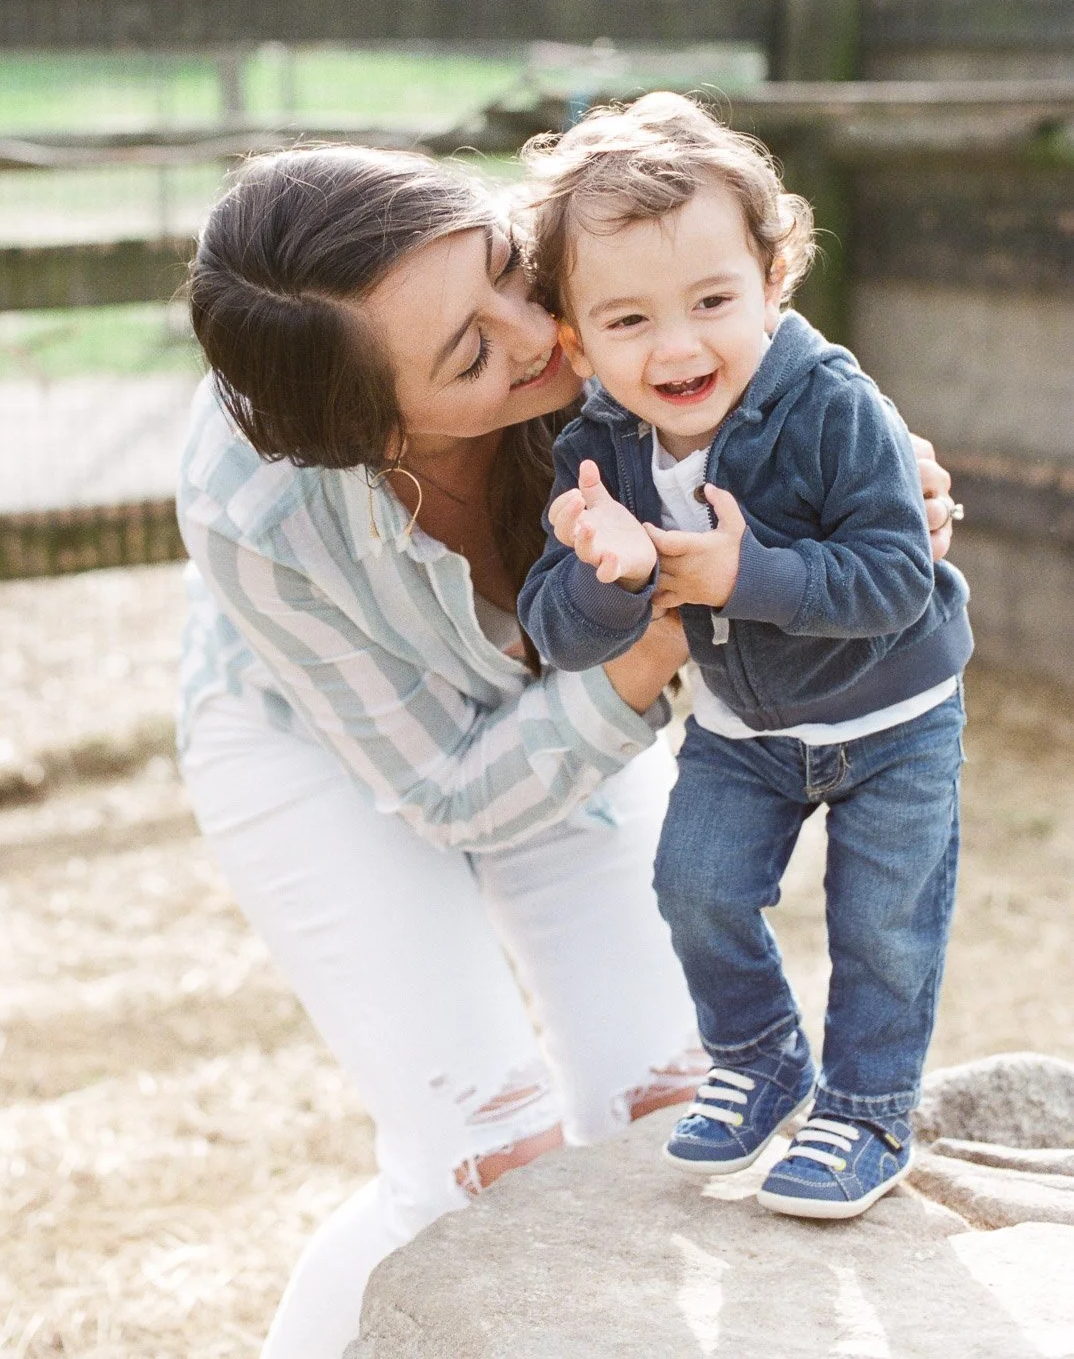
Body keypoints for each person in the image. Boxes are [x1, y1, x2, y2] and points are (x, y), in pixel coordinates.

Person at [179, 143, 959, 1355]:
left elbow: (775, 381)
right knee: (483, 1159)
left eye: (505, 269)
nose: (541, 333)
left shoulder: (596, 311)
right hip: (322, 746)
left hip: (573, 717)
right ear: (375, 430)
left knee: (673, 1108)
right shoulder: (257, 503)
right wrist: (656, 647)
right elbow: (445, 786)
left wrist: (877, 499)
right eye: (472, 354)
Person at [518, 92, 972, 1221]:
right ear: (573, 337)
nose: (677, 346)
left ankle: (867, 1110)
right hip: (743, 729)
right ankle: (763, 1057)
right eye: (626, 322)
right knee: (696, 886)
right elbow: (557, 630)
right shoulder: (598, 451)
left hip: (893, 717)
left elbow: (893, 578)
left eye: (712, 300)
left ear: (774, 280)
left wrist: (740, 576)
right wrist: (606, 573)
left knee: (883, 923)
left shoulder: (832, 407)